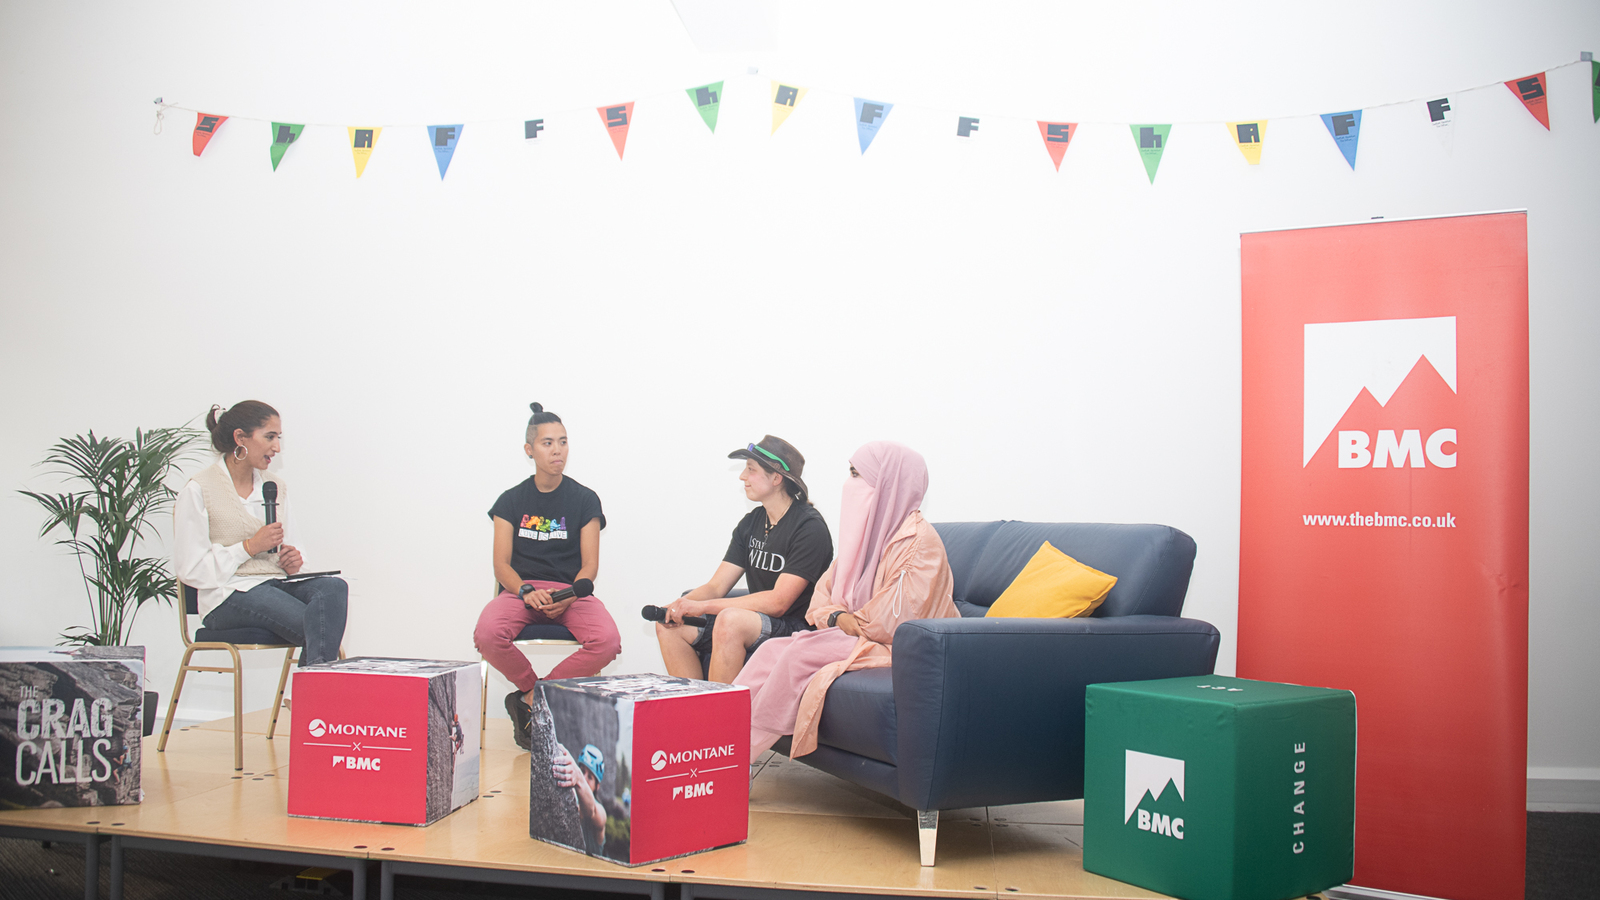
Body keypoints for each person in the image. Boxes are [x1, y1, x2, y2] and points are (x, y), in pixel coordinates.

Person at [734, 441, 957, 762]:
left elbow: (893, 621)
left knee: (798, 654)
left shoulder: (917, 542)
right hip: (852, 632)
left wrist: (839, 617)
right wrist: (838, 617)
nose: (848, 484)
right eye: (849, 473)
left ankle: (737, 757)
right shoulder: (870, 534)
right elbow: (823, 599)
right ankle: (720, 734)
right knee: (770, 650)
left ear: (888, 483)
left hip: (899, 645)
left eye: (857, 474)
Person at [475, 403, 620, 750]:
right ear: (529, 450)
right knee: (487, 633)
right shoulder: (510, 501)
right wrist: (525, 591)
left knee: (608, 641)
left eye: (563, 442)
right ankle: (531, 690)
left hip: (570, 593)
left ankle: (534, 699)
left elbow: (590, 567)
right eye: (547, 443)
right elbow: (501, 566)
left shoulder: (585, 499)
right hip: (520, 591)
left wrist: (569, 595)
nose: (557, 450)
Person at [173, 401, 349, 667]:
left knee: (333, 588)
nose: (277, 447)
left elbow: (291, 545)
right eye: (270, 437)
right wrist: (248, 547)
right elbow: (191, 569)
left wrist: (293, 562)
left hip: (275, 585)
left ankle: (312, 698)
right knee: (321, 624)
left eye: (278, 438)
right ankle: (315, 700)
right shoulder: (199, 489)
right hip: (227, 595)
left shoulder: (274, 487)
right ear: (240, 438)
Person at [655, 436, 833, 683]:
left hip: (798, 628)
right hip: (756, 622)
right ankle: (693, 712)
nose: (742, 477)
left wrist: (702, 607)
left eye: (751, 469)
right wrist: (679, 605)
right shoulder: (751, 523)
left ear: (776, 478)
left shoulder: (809, 527)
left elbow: (778, 602)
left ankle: (721, 718)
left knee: (731, 620)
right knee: (668, 626)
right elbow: (716, 587)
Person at [551, 742, 628, 857]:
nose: (585, 778)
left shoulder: (600, 811)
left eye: (590, 777)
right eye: (582, 771)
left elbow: (590, 811)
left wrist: (579, 779)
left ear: (597, 786)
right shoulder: (569, 796)